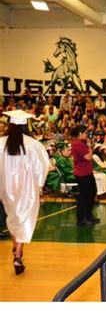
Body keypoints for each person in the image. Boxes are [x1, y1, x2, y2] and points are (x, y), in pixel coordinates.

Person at [0, 110, 49, 275]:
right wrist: (40, 185)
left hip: (6, 188)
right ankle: (18, 255)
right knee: (23, 220)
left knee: (13, 218)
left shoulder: (1, 143)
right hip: (27, 189)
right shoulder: (33, 144)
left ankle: (16, 249)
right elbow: (42, 167)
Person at [70, 126, 99, 227]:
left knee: (92, 193)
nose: (87, 135)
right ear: (80, 133)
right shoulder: (78, 143)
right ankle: (81, 219)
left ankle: (89, 215)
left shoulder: (80, 143)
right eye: (85, 133)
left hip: (87, 172)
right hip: (82, 174)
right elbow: (88, 157)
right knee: (84, 196)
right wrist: (90, 147)